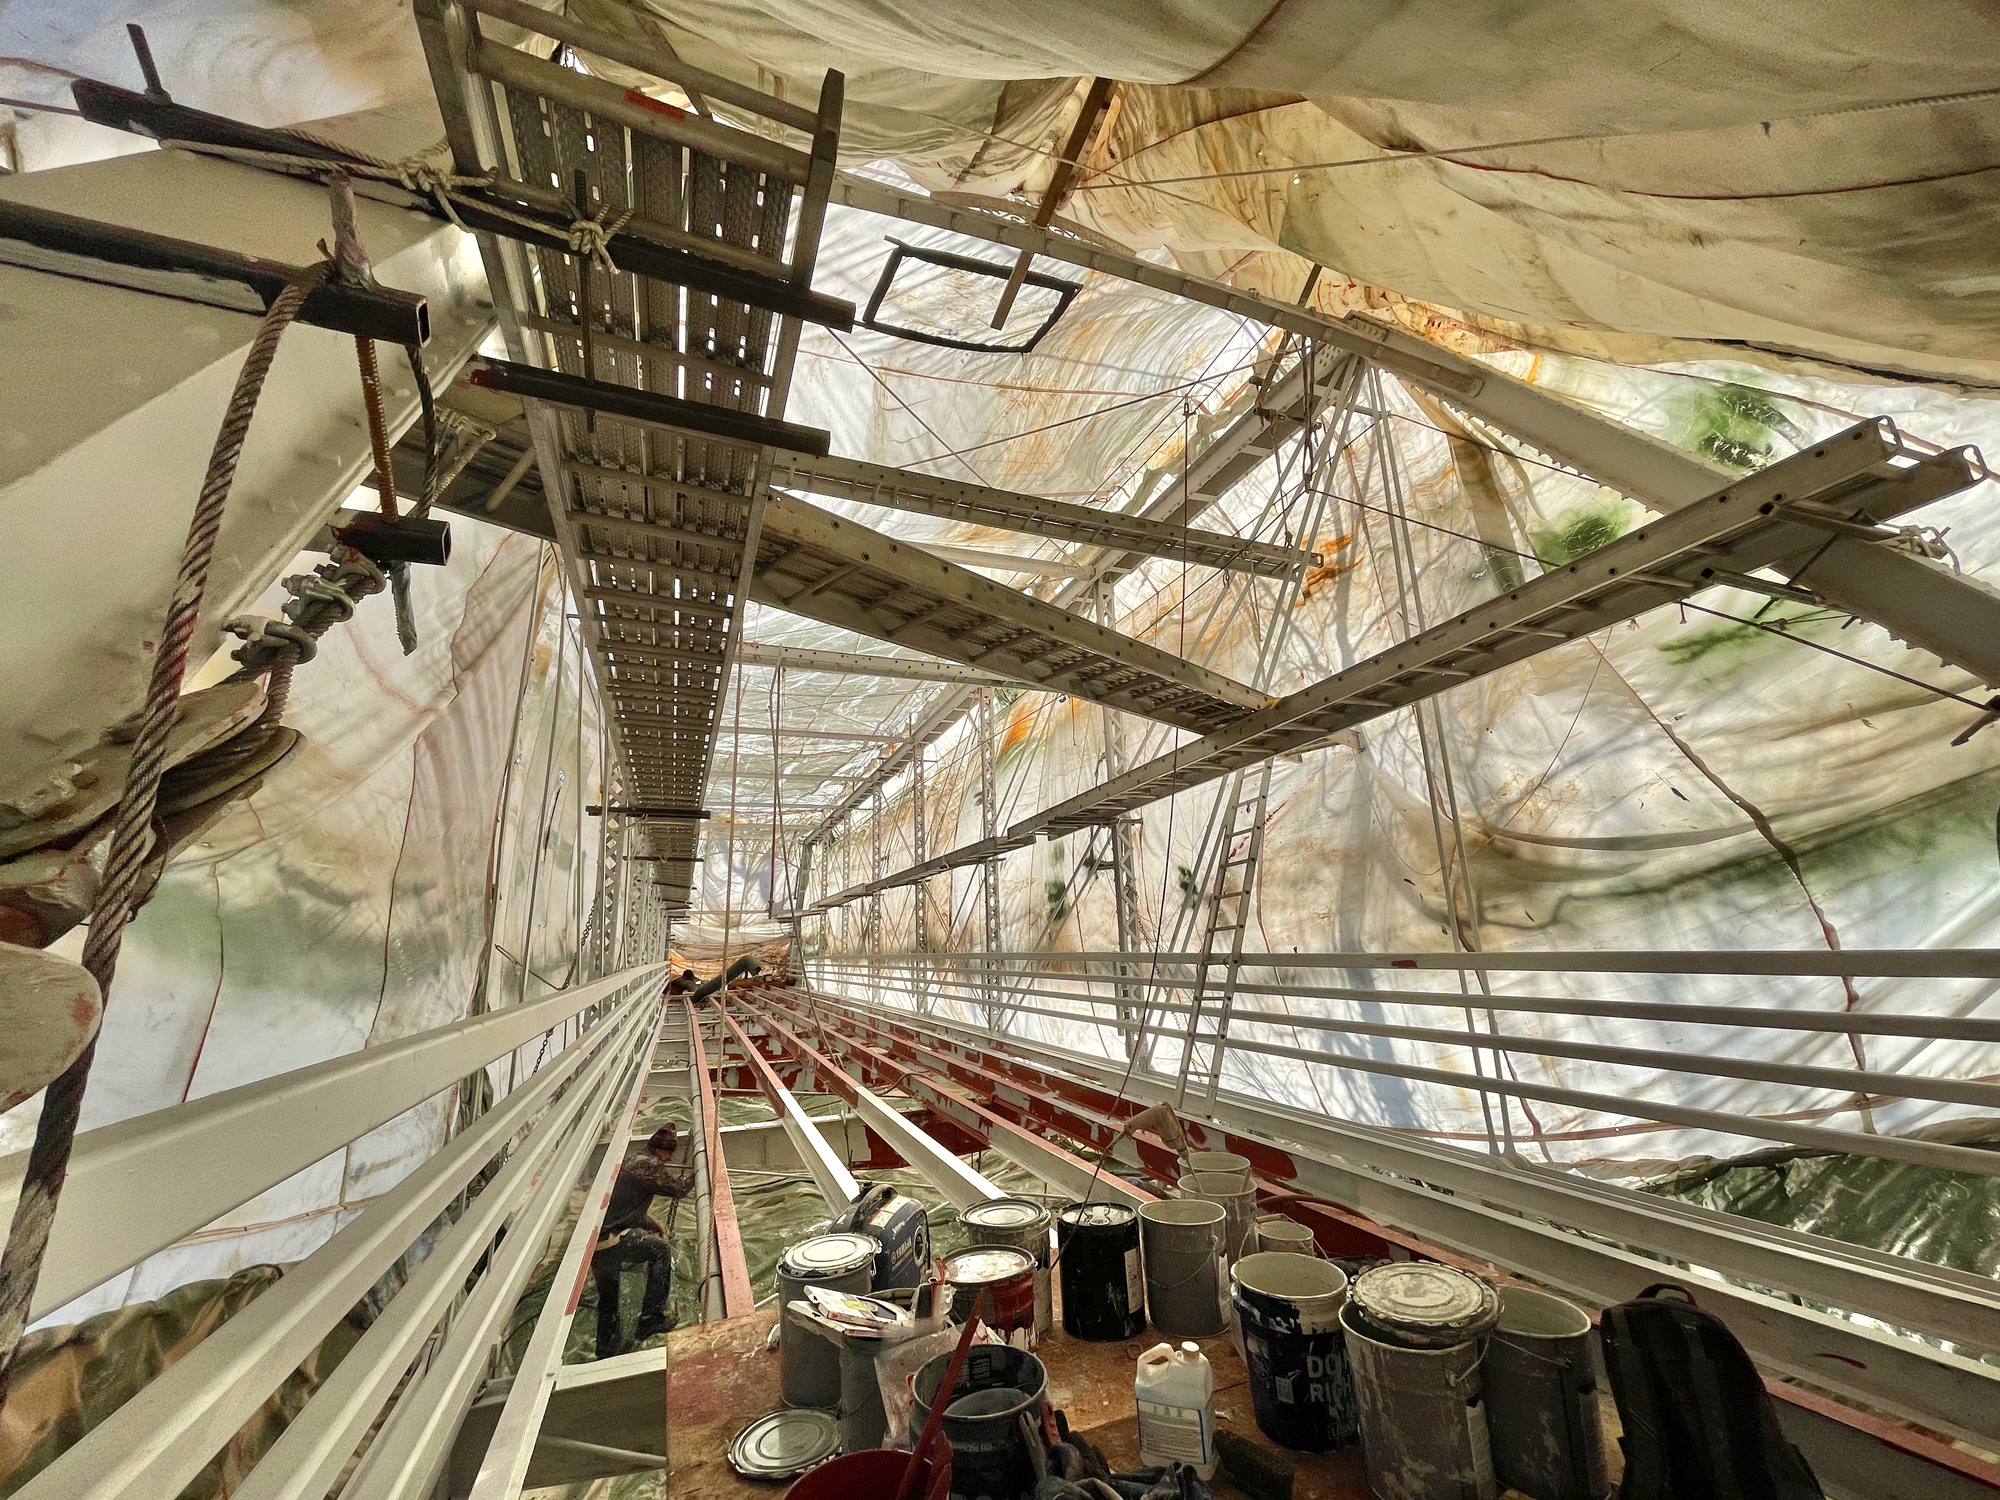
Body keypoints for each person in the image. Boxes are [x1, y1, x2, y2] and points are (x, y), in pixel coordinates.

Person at [591, 1124, 693, 1358]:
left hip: (595, 1243)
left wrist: (651, 1224)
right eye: (669, 1154)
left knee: (608, 1301)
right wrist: (700, 1169)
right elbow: (678, 1189)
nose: (669, 1160)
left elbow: (625, 1206)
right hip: (611, 1241)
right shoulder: (651, 1165)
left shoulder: (634, 1158)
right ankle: (651, 1318)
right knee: (660, 1250)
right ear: (661, 1151)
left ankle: (605, 1353)